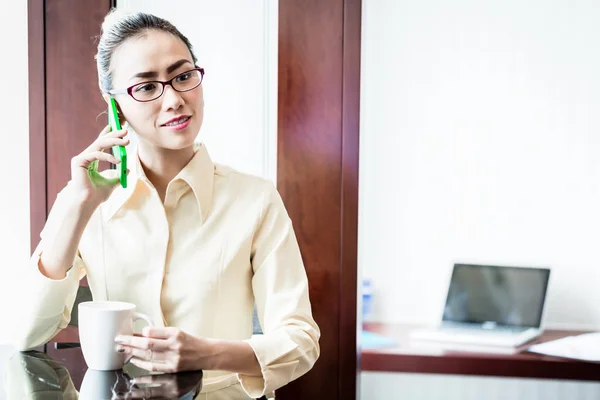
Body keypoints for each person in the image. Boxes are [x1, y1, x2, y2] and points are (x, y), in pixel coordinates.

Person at [10, 9, 320, 398]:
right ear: (115, 106)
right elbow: (22, 332)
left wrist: (208, 354)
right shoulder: (87, 198)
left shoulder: (255, 199)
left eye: (183, 76)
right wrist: (78, 208)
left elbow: (301, 340)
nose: (173, 99)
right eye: (146, 87)